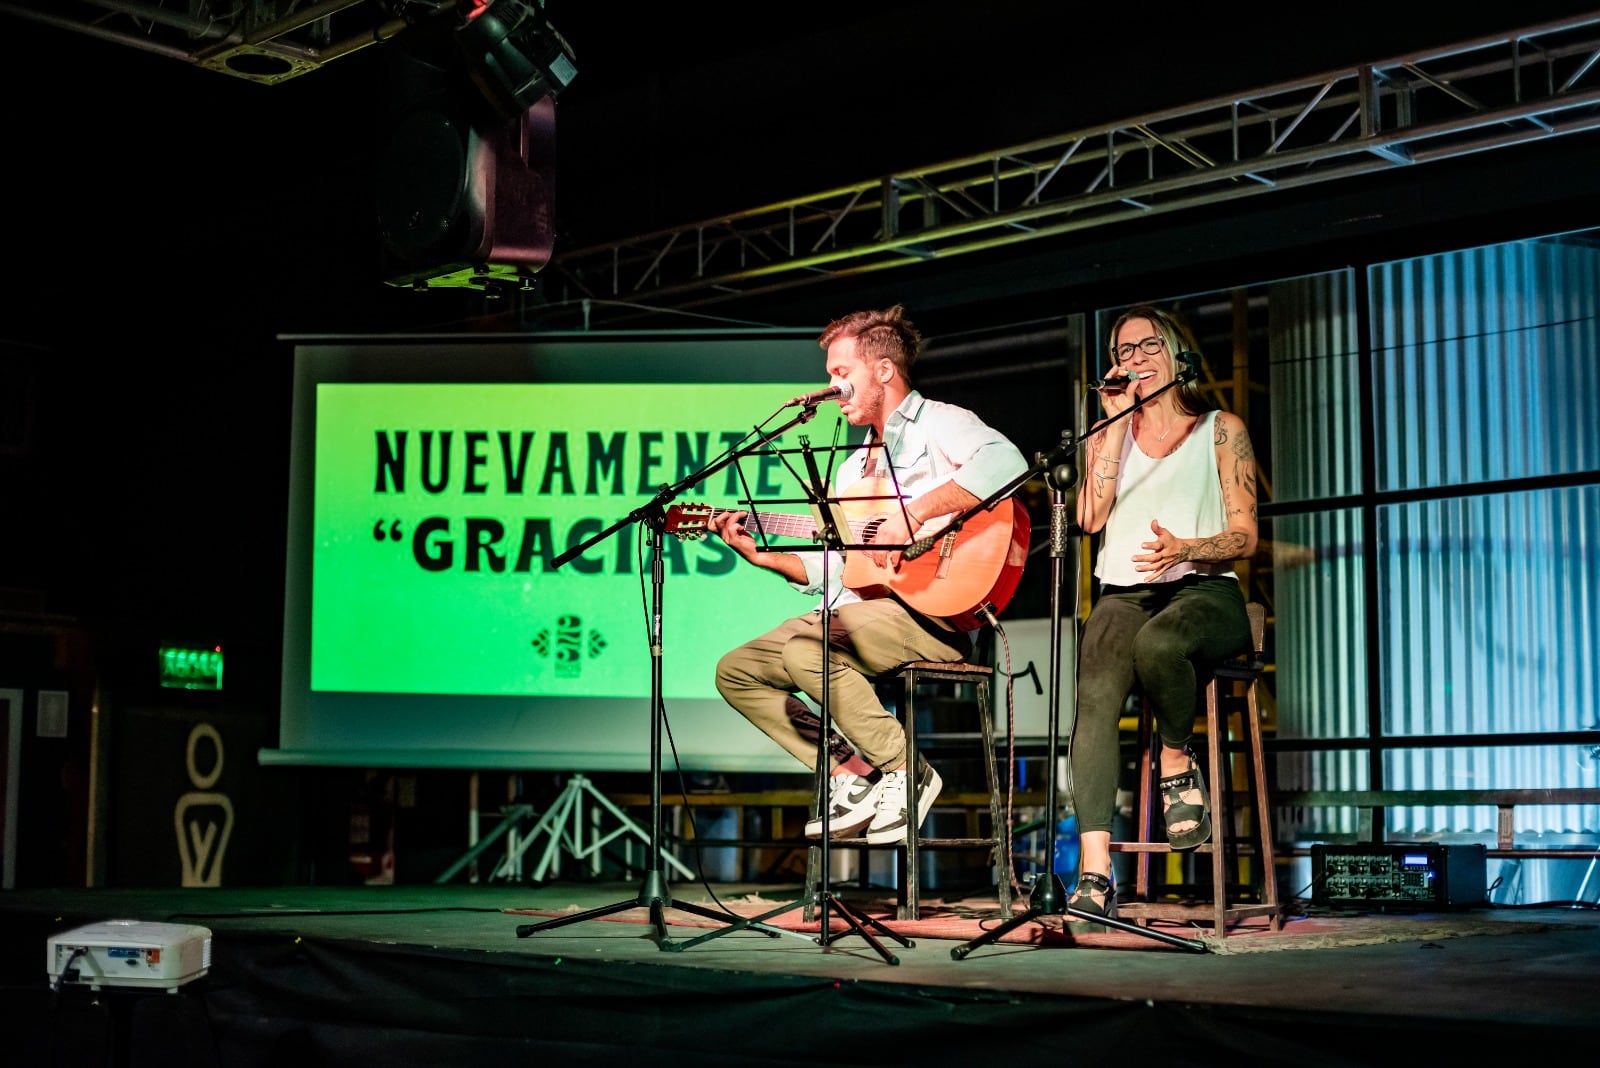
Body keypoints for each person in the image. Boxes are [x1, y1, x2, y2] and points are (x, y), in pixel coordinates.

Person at [711, 304, 1028, 845]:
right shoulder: (853, 466)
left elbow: (1007, 463)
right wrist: (769, 559)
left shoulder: (939, 422)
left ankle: (907, 772)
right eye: (831, 375)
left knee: (808, 649)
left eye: (842, 373)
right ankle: (851, 777)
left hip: (937, 612)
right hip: (868, 609)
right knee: (736, 670)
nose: (833, 386)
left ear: (883, 370)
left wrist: (918, 513)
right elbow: (846, 564)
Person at [1066, 303, 1258, 925]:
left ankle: (1176, 757)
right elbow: (1088, 521)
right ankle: (1095, 869)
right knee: (1093, 693)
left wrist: (1188, 549)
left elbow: (1245, 534)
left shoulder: (1219, 429)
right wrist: (1113, 428)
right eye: (1122, 352)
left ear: (1177, 355)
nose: (1133, 360)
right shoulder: (1108, 433)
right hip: (1124, 590)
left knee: (1158, 645)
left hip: (1205, 589)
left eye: (1147, 347)